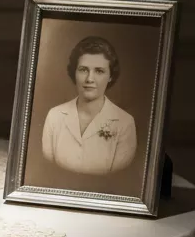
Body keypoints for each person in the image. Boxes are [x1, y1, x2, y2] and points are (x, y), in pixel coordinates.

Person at [41, 35, 137, 176]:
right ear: (74, 72)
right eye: (83, 69)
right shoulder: (55, 116)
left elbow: (117, 177)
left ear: (110, 76)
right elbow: (48, 170)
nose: (89, 79)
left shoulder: (125, 123)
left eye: (99, 71)